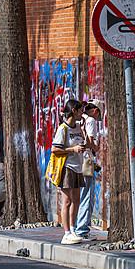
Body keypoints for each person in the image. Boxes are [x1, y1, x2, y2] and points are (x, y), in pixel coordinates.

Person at [52, 99, 88, 245]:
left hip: (78, 167)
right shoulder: (63, 129)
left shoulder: (79, 127)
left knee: (76, 200)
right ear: (74, 111)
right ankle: (66, 233)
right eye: (80, 111)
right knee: (66, 201)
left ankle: (73, 230)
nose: (82, 114)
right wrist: (72, 149)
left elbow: (84, 139)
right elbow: (55, 149)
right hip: (67, 167)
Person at [75, 99, 103, 239]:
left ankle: (77, 227)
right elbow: (89, 142)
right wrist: (96, 148)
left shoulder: (79, 119)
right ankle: (82, 229)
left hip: (77, 160)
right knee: (87, 196)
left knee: (78, 196)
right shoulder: (91, 121)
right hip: (86, 160)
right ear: (96, 111)